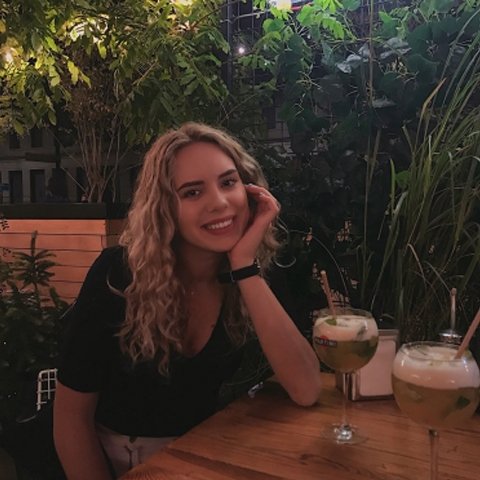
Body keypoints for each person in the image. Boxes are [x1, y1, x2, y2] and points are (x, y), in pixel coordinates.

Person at [53, 122, 321, 479]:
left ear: (250, 189)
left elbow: (306, 389)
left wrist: (244, 267)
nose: (220, 203)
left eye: (228, 182)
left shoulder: (252, 268)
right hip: (120, 461)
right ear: (164, 208)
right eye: (192, 192)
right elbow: (71, 418)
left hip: (206, 452)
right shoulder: (118, 275)